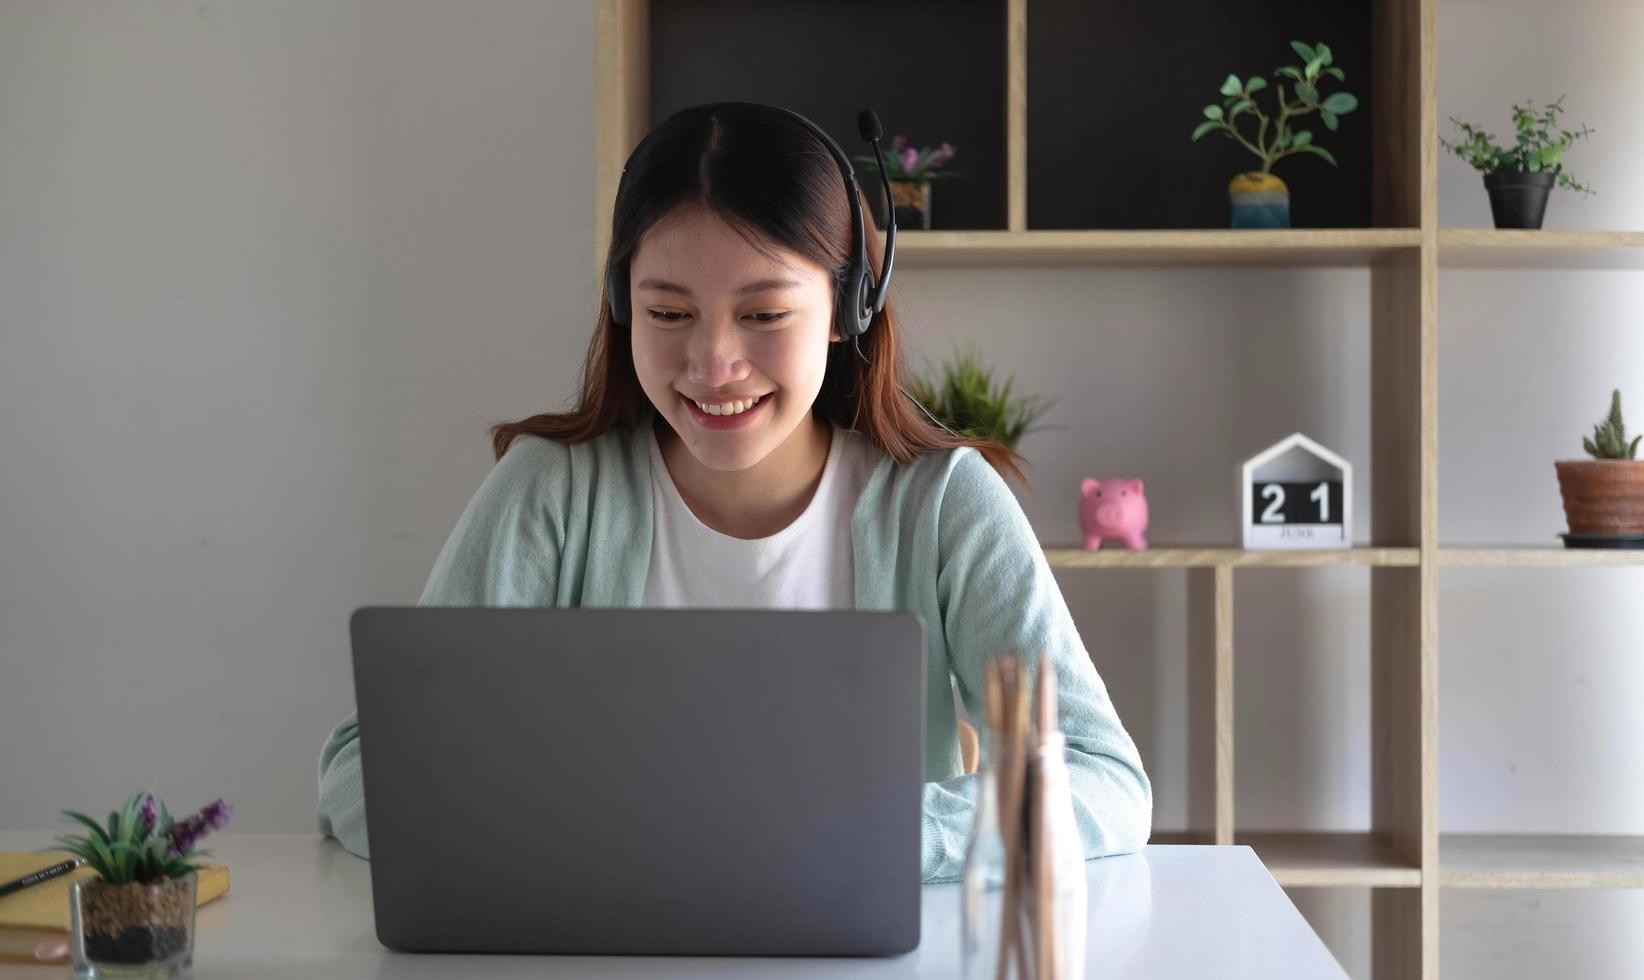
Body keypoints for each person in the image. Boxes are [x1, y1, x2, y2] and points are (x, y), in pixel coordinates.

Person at [317, 102, 1151, 884]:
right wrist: (557, 830)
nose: (713, 364)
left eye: (763, 316)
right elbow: (365, 767)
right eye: (669, 314)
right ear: (622, 309)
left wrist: (882, 835)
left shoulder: (939, 506)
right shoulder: (551, 494)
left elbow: (1101, 777)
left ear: (845, 308)